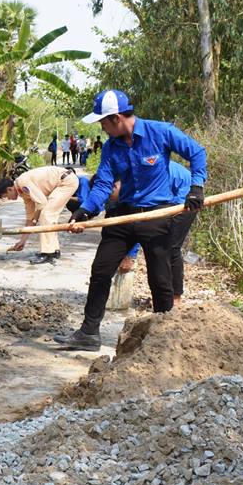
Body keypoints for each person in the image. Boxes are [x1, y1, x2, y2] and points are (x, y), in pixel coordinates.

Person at [54, 89, 207, 350]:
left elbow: (197, 152)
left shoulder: (160, 132)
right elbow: (103, 183)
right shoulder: (112, 148)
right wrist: (86, 210)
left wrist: (196, 186)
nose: (102, 127)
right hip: (123, 214)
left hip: (155, 214)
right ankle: (89, 333)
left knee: (160, 277)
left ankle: (163, 335)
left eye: (103, 122)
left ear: (116, 118)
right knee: (101, 270)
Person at [119, 161, 197, 306]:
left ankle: (175, 298)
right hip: (169, 200)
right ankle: (164, 297)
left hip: (185, 201)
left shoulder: (147, 177)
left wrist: (130, 255)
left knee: (171, 247)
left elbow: (141, 222)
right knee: (159, 245)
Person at [0, 165, 79, 265]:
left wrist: (36, 218)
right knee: (49, 216)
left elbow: (42, 203)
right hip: (63, 182)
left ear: (10, 189)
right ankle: (54, 250)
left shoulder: (22, 183)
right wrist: (22, 241)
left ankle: (47, 253)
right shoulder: (24, 193)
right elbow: (29, 219)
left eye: (6, 196)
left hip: (66, 182)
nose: (8, 199)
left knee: (46, 215)